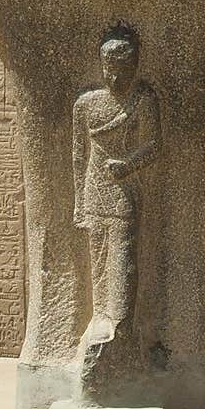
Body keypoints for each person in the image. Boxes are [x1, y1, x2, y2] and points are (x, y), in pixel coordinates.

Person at [72, 25, 161, 344]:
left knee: (123, 254)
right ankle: (101, 315)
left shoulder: (143, 98)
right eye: (109, 70)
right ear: (102, 67)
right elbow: (78, 155)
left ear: (134, 68)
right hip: (94, 187)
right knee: (97, 256)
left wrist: (128, 164)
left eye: (122, 71)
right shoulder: (86, 103)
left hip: (124, 188)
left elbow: (153, 144)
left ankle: (121, 321)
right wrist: (79, 202)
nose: (114, 79)